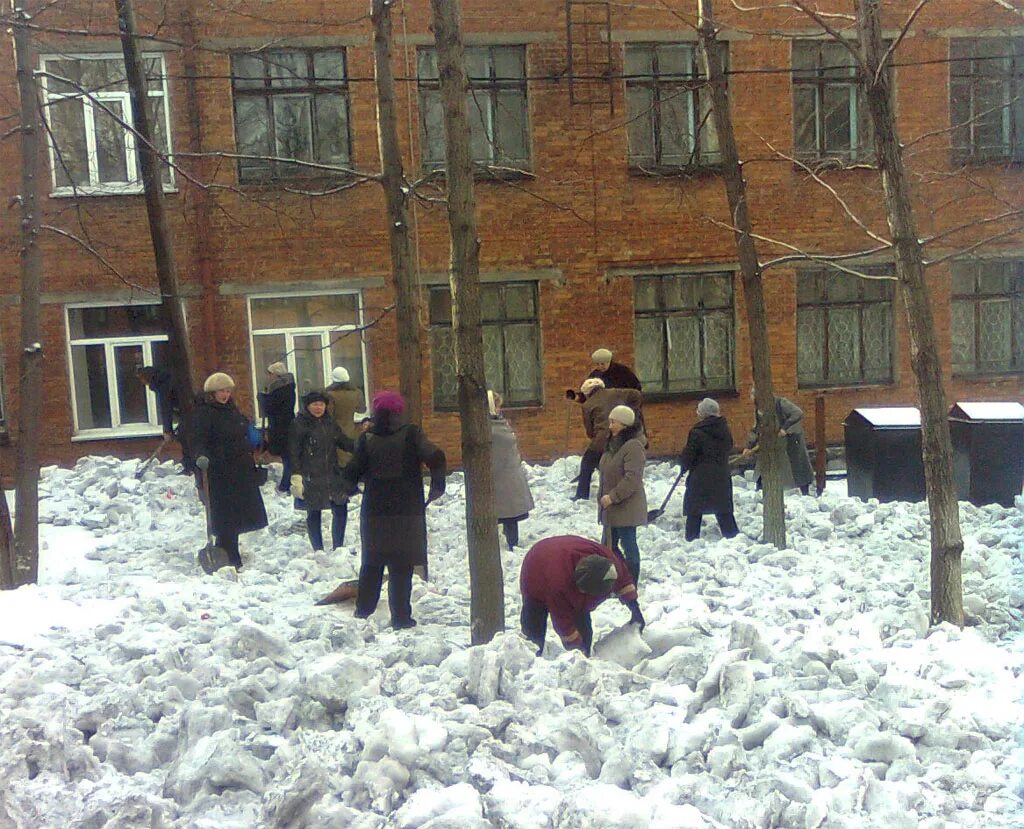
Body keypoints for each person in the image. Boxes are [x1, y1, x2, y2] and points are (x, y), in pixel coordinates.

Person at [342, 390, 446, 629]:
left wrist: (351, 490)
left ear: (376, 411)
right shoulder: (412, 434)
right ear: (399, 411)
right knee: (402, 565)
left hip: (375, 511)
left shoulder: (366, 439)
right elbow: (436, 457)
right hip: (407, 511)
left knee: (372, 562)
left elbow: (350, 472)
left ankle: (363, 613)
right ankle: (400, 617)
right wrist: (437, 486)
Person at [519, 534, 645, 657]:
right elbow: (563, 622)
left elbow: (624, 581)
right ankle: (529, 661)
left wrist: (635, 609)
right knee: (534, 635)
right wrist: (576, 650)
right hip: (535, 569)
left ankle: (585, 655)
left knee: (584, 632)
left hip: (562, 555)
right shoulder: (558, 585)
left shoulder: (609, 565)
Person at [191, 372, 268, 568]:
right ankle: (228, 555)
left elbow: (242, 432)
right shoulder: (204, 413)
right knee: (225, 516)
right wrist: (201, 456)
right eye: (221, 391)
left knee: (237, 515)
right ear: (212, 393)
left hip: (240, 470)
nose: (225, 395)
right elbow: (198, 439)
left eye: (227, 391)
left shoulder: (232, 411)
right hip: (219, 472)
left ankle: (229, 552)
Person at [288, 390, 356, 552]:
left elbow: (343, 442)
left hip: (331, 473)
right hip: (311, 474)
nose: (318, 408)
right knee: (314, 511)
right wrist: (296, 475)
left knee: (340, 506)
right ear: (308, 406)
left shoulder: (329, 423)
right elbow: (293, 451)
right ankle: (317, 549)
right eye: (315, 404)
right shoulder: (299, 424)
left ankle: (338, 546)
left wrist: (363, 445)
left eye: (321, 404)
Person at [597, 404, 647, 585]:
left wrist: (613, 496)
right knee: (607, 547)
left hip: (626, 506)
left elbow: (632, 478)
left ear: (625, 424)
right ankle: (615, 579)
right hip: (610, 508)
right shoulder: (613, 445)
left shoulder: (632, 446)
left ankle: (630, 582)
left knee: (628, 547)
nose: (610, 426)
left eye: (613, 422)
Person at [679, 397, 739, 541]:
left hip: (700, 478)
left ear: (702, 414)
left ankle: (691, 539)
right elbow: (729, 447)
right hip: (721, 476)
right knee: (723, 510)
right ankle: (733, 538)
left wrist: (683, 465)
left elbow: (689, 454)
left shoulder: (697, 432)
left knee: (695, 510)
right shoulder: (724, 429)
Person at [574, 378, 643, 500]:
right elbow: (637, 394)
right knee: (617, 465)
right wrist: (632, 413)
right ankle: (621, 490)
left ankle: (581, 495)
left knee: (587, 464)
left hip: (601, 439)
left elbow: (590, 431)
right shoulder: (616, 392)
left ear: (587, 393)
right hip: (622, 436)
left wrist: (597, 435)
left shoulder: (587, 405)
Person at [740, 388, 814, 495]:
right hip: (771, 444)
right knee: (764, 466)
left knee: (797, 470)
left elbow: (797, 413)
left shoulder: (780, 403)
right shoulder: (759, 409)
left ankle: (805, 493)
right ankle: (761, 490)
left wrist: (784, 428)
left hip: (791, 441)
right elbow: (756, 428)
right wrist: (748, 446)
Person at [488, 390, 534, 550]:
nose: (500, 409)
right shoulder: (490, 427)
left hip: (508, 475)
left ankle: (511, 544)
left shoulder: (499, 423)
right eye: (498, 406)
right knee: (505, 513)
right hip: (500, 476)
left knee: (509, 514)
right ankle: (506, 545)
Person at [138, 365, 194, 472]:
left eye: (142, 380)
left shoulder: (163, 385)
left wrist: (167, 430)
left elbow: (166, 408)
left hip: (188, 411)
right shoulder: (167, 378)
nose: (143, 384)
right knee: (185, 437)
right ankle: (189, 465)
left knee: (185, 438)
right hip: (187, 410)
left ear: (147, 378)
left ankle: (190, 467)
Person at [257, 362, 296, 494]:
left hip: (281, 427)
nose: (268, 377)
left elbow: (270, 409)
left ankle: (287, 484)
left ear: (276, 374)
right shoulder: (287, 387)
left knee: (287, 457)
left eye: (270, 374)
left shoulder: (279, 389)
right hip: (285, 425)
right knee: (287, 456)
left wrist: (262, 398)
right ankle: (287, 483)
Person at [325, 366, 366, 467]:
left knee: (339, 460)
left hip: (335, 430)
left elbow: (328, 414)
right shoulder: (357, 392)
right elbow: (361, 409)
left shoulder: (329, 394)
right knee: (350, 455)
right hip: (351, 428)